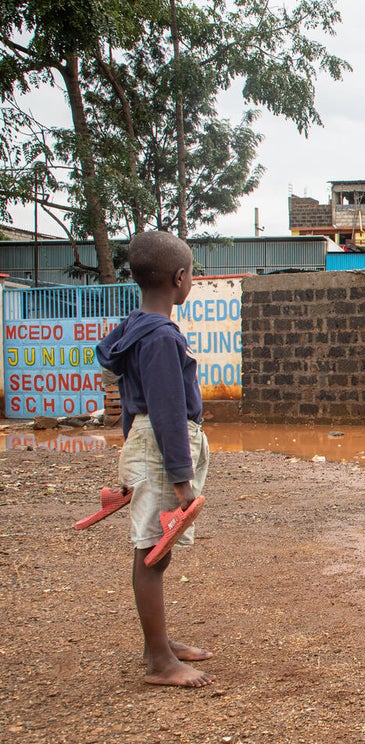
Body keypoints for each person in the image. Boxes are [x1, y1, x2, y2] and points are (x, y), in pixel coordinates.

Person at [97, 230, 213, 688]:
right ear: (180, 279)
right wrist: (181, 479)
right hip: (163, 447)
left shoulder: (134, 327)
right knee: (151, 551)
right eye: (193, 275)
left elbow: (132, 402)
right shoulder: (161, 336)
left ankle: (157, 643)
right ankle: (160, 662)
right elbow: (165, 409)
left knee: (155, 551)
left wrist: (131, 461)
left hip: (147, 445)